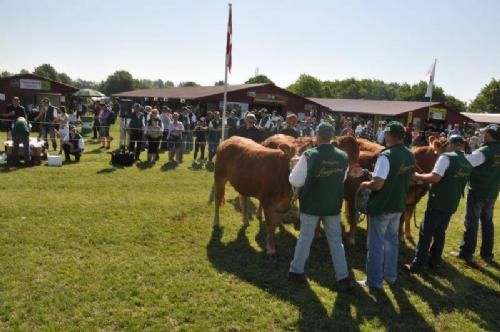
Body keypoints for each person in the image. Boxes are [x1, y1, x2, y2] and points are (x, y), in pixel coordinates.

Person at [288, 123, 355, 291]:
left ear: (317, 136)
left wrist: (296, 165)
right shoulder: (343, 156)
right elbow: (342, 179)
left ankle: (296, 271)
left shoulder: (309, 155)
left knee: (305, 238)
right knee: (336, 242)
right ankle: (343, 276)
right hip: (332, 204)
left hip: (311, 204)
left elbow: (295, 180)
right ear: (332, 136)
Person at [358, 121, 415, 289]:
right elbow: (409, 178)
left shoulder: (386, 156)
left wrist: (365, 184)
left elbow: (377, 185)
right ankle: (391, 276)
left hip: (382, 205)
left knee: (375, 245)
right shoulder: (410, 154)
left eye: (386, 133)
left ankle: (374, 282)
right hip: (398, 205)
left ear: (389, 135)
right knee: (392, 243)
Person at [404, 135, 472, 273]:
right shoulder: (467, 161)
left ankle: (418, 263)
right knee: (440, 232)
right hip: (452, 202)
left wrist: (418, 176)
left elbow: (435, 177)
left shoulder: (446, 158)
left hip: (438, 201)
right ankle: (435, 261)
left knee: (426, 232)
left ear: (450, 144)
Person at [451, 124, 500, 266]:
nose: (482, 135)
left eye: (485, 133)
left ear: (489, 135)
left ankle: (466, 253)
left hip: (478, 191)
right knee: (487, 222)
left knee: (471, 222)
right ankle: (487, 254)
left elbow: (465, 163)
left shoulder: (483, 151)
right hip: (492, 191)